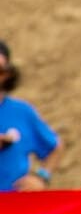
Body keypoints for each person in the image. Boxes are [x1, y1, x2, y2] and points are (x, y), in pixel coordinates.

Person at [0, 41, 61, 190]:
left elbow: (55, 147)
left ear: (8, 74)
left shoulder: (22, 112)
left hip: (17, 208)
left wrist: (42, 177)